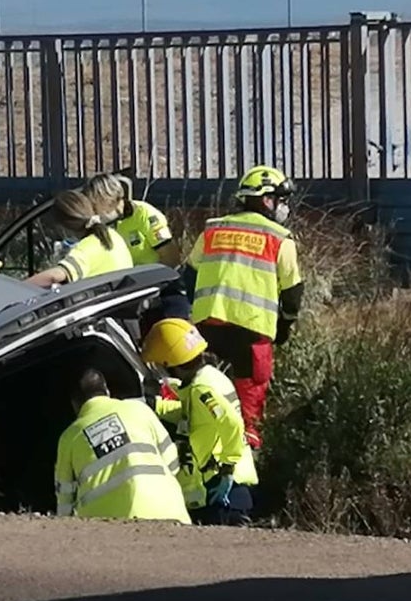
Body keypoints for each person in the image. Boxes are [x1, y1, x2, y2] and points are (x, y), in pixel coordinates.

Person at [181, 165, 304, 449]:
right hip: (252, 330)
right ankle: (248, 448)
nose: (284, 207)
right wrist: (284, 325)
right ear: (266, 199)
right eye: (281, 199)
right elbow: (293, 291)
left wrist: (195, 308)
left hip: (206, 327)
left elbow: (189, 274)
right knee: (250, 392)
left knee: (201, 386)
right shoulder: (279, 238)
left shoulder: (213, 229)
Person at [140, 317, 258, 526]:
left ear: (172, 364)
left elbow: (231, 423)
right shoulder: (207, 378)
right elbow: (194, 415)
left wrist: (227, 469)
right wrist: (156, 406)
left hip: (224, 489)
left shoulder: (202, 390)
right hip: (225, 488)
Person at [54, 367, 190, 524]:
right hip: (169, 512)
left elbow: (64, 498)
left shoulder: (69, 437)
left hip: (110, 527)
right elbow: (172, 462)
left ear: (74, 403)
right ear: (106, 390)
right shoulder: (139, 410)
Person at [25, 189, 133, 288]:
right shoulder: (112, 235)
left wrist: (21, 287)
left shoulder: (86, 249)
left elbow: (56, 276)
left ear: (63, 227)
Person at [82, 172, 179, 267]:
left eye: (94, 205)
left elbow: (170, 258)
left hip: (151, 278)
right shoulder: (98, 222)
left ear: (108, 199)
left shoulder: (144, 214)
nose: (92, 210)